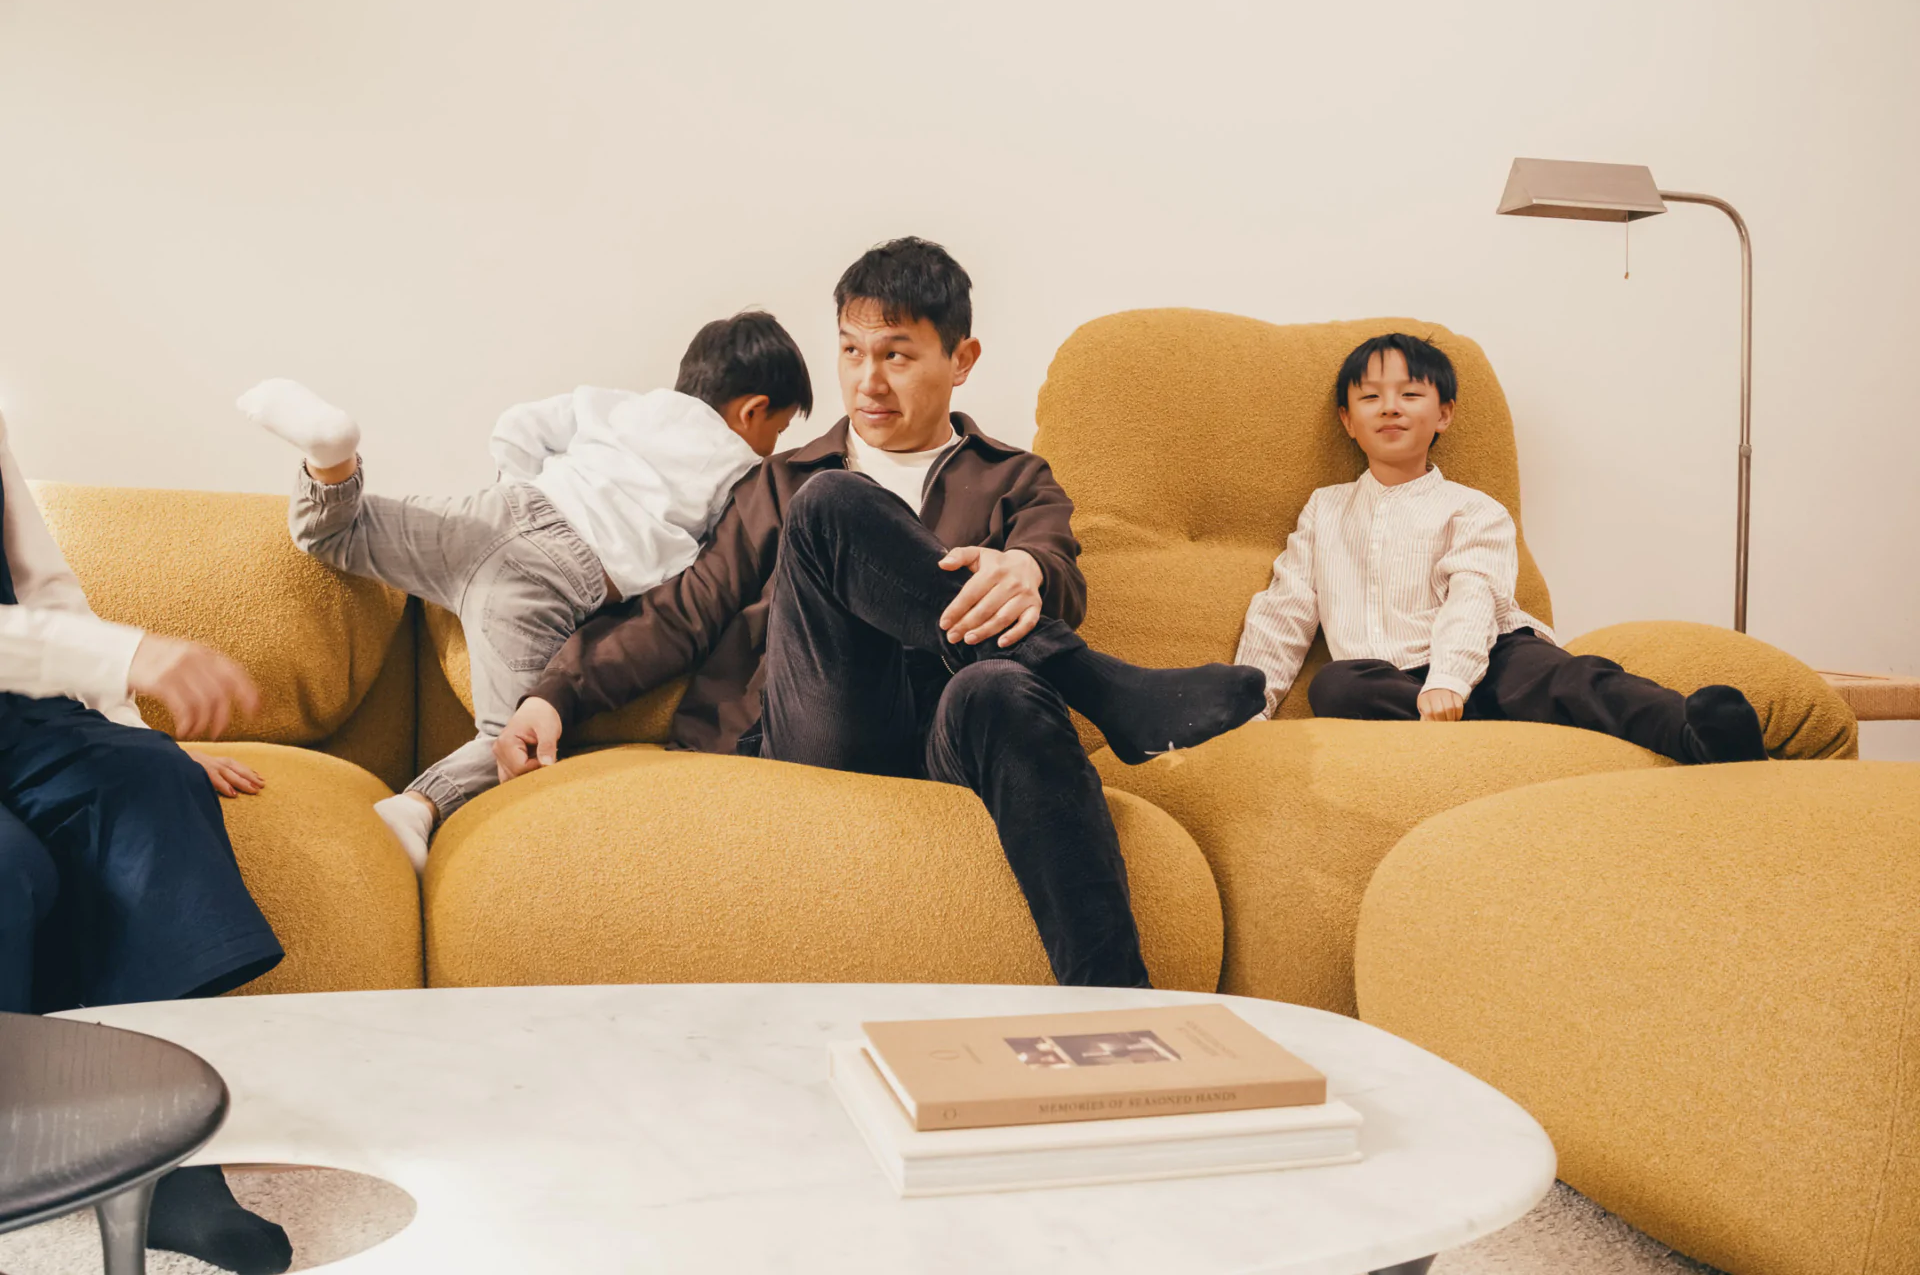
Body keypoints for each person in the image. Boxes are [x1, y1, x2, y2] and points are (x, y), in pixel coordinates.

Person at [491, 238, 1266, 988]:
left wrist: (1026, 567)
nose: (868, 381)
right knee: (834, 505)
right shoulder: (787, 482)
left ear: (960, 361)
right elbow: (683, 613)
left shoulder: (1014, 480)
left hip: (947, 738)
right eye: (852, 352)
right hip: (827, 724)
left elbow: (1056, 566)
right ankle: (1099, 685)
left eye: (896, 354)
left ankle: (1118, 1011)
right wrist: (553, 693)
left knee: (1001, 688)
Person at [238, 310, 813, 868]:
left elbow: (519, 425)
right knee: (517, 733)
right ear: (752, 411)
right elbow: (704, 572)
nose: (772, 444)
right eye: (778, 430)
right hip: (558, 577)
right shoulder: (741, 468)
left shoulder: (621, 405)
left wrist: (519, 494)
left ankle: (330, 457)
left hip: (496, 514)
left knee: (335, 535)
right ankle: (417, 806)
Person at [0, 411, 294, 1273]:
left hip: (20, 705)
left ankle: (165, 1174)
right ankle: (18, 1149)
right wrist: (123, 652)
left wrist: (133, 733)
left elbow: (42, 586)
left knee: (151, 784)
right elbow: (82, 641)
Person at [1234, 332, 1768, 764]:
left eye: (1410, 395)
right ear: (1349, 423)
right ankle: (1492, 726)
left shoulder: (1473, 509)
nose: (1390, 408)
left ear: (1443, 415)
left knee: (1573, 677)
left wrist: (1449, 679)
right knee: (1337, 686)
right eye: (1371, 397)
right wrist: (1248, 708)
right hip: (1394, 679)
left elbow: (1474, 596)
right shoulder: (1325, 510)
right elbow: (1286, 609)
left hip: (1492, 656)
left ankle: (1698, 735)